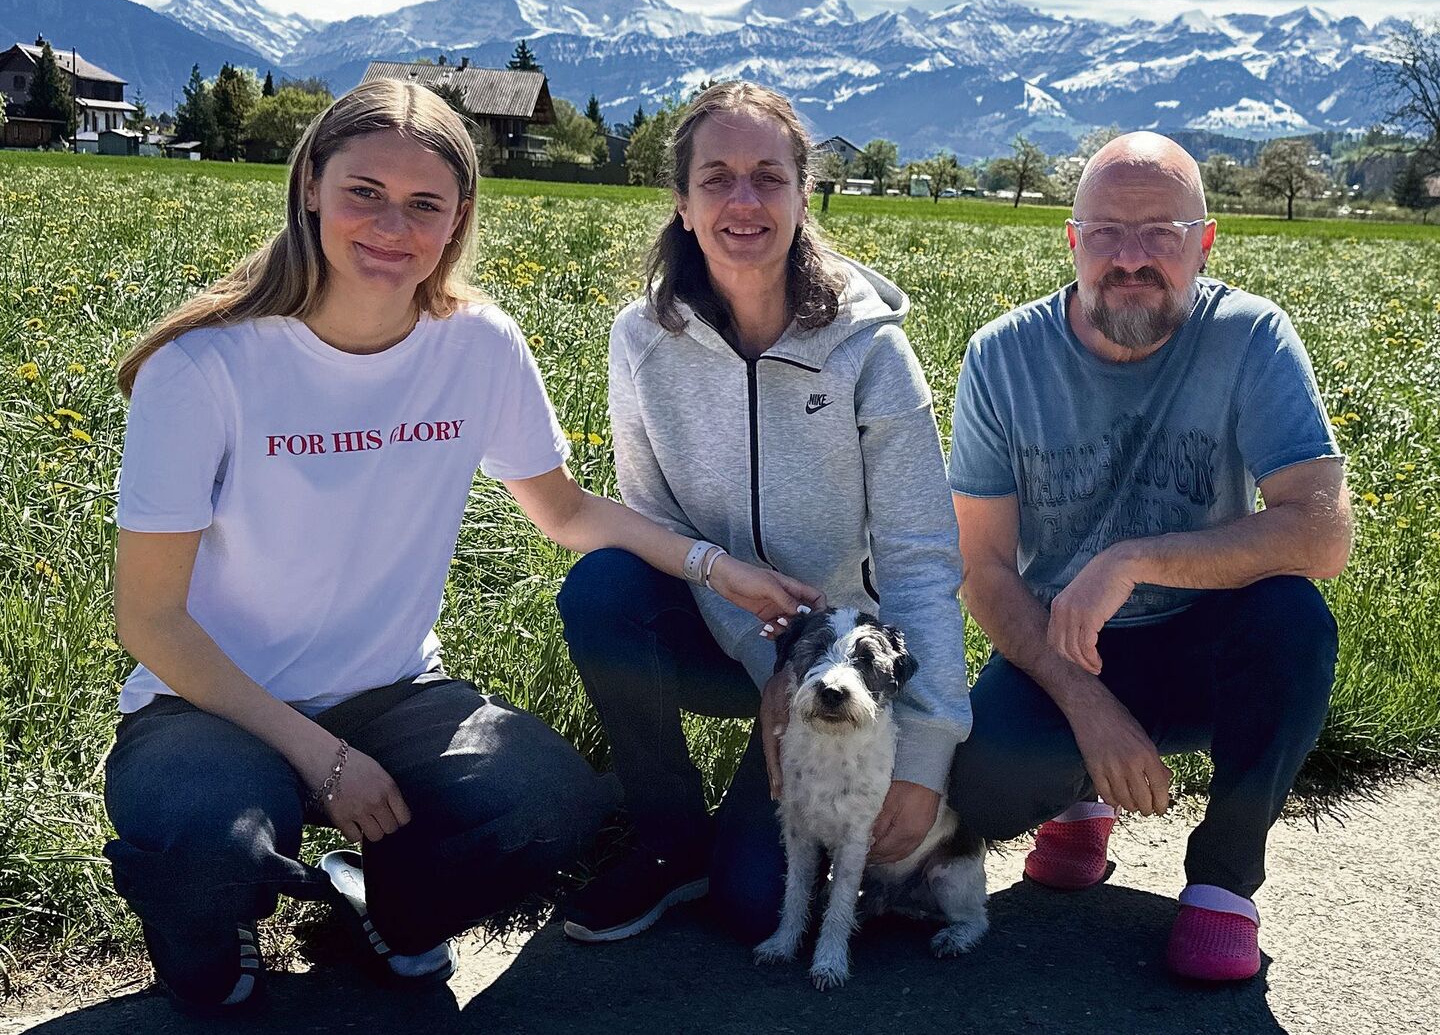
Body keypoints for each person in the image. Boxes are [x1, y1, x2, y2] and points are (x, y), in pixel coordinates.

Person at [103, 78, 815, 1013]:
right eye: (364, 192)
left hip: (393, 694)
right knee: (209, 864)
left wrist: (715, 567)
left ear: (459, 216)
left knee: (548, 802)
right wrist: (323, 758)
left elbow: (565, 511)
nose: (391, 226)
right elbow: (150, 618)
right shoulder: (204, 365)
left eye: (423, 204)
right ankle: (210, 916)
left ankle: (383, 911)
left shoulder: (476, 345)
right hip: (208, 706)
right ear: (312, 184)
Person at [556, 81, 971, 946]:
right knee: (603, 587)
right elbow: (656, 524)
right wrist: (764, 660)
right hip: (719, 628)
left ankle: (760, 845)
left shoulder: (870, 348)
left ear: (802, 193)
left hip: (838, 655)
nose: (743, 201)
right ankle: (669, 840)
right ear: (681, 201)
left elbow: (921, 556)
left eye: (768, 177)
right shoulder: (640, 339)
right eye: (716, 178)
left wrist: (924, 754)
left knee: (752, 905)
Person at [946, 131, 1351, 981]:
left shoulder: (1251, 335)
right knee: (983, 788)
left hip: (1210, 641)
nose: (1131, 258)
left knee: (1294, 622)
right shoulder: (1001, 356)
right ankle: (1080, 797)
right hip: (1068, 647)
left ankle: (1224, 883)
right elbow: (982, 570)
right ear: (1072, 241)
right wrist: (1088, 706)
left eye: (1161, 231)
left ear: (1205, 242)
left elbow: (1322, 531)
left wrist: (1131, 558)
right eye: (1107, 233)